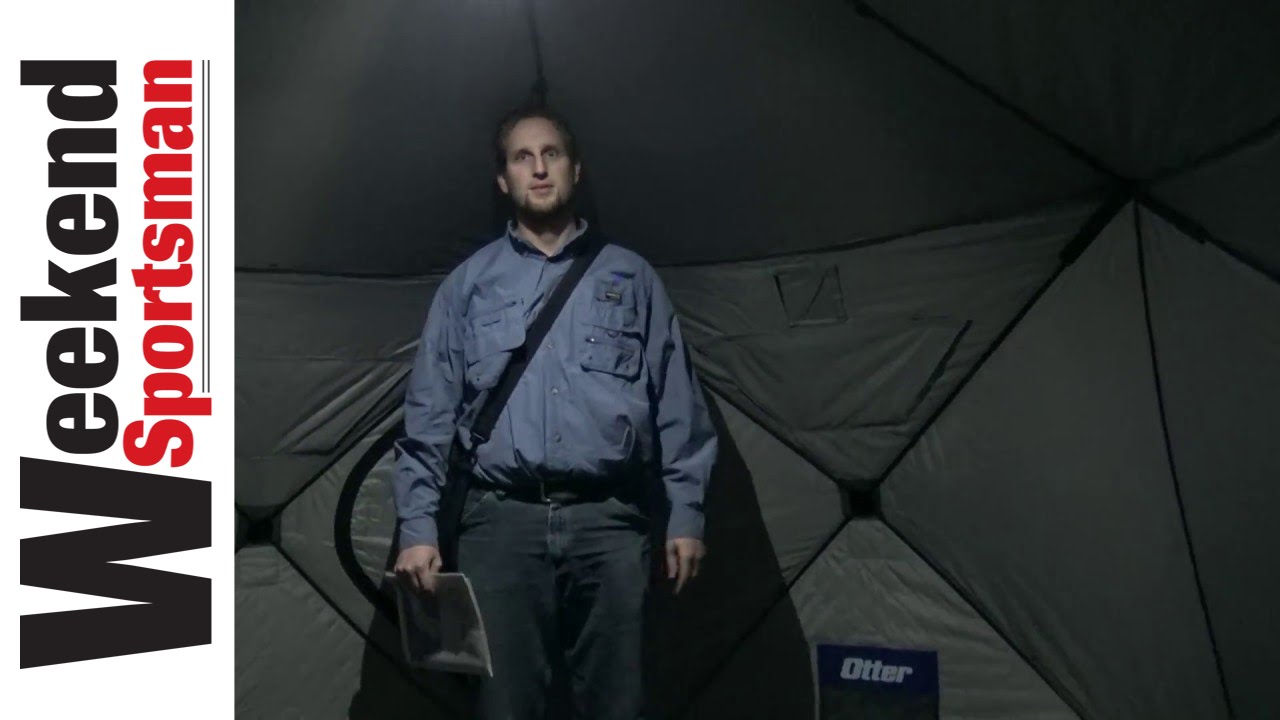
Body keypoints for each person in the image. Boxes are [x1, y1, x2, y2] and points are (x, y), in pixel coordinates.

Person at [391, 103, 718, 720]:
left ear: (575, 169)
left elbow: (679, 405)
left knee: (620, 701)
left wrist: (687, 517)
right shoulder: (468, 285)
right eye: (522, 157)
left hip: (610, 525)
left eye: (551, 155)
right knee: (504, 705)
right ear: (503, 181)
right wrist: (417, 529)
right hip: (499, 527)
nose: (538, 169)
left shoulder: (632, 278)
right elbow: (429, 416)